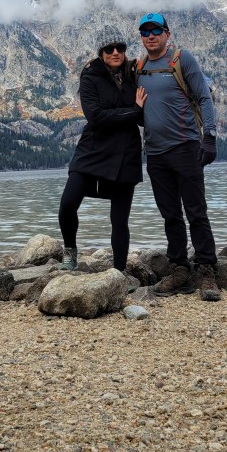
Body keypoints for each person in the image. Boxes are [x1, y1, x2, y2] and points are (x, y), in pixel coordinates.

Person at [136, 12, 221, 301]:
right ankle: (179, 270)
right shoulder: (140, 67)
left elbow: (204, 98)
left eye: (156, 31)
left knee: (196, 211)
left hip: (185, 147)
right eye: (145, 32)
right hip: (155, 153)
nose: (151, 36)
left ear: (167, 34)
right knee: (170, 214)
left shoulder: (182, 60)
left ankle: (207, 270)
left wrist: (209, 137)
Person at [58, 27, 146, 276]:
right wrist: (133, 111)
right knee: (67, 204)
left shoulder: (134, 74)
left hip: (126, 153)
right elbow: (95, 117)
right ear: (101, 52)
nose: (116, 52)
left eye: (120, 47)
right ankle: (70, 252)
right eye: (109, 49)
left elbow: (144, 115)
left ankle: (118, 272)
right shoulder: (89, 77)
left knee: (119, 220)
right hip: (92, 149)